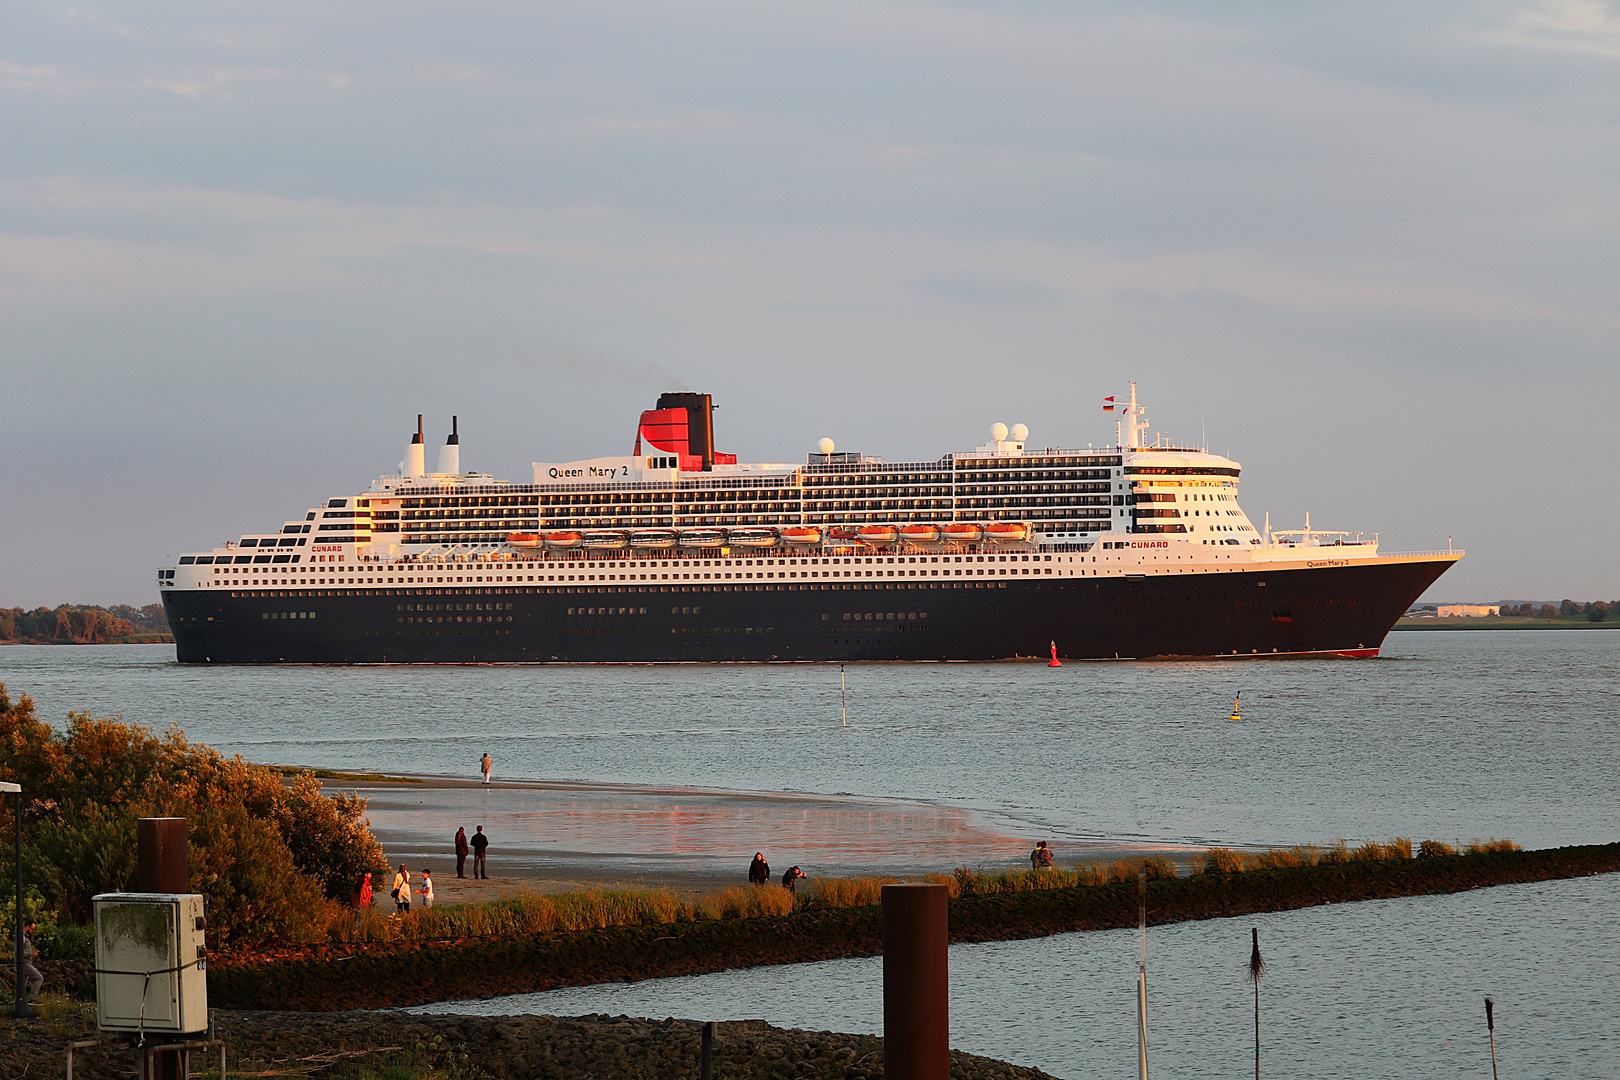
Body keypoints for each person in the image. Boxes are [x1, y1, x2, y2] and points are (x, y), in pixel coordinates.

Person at [17, 920, 42, 1002]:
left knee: (22, 984)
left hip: (25, 962)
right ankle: (32, 998)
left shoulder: (24, 936)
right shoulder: (21, 937)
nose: (32, 931)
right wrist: (31, 954)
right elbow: (19, 952)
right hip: (24, 962)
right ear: (27, 927)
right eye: (32, 929)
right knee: (39, 978)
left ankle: (20, 1001)